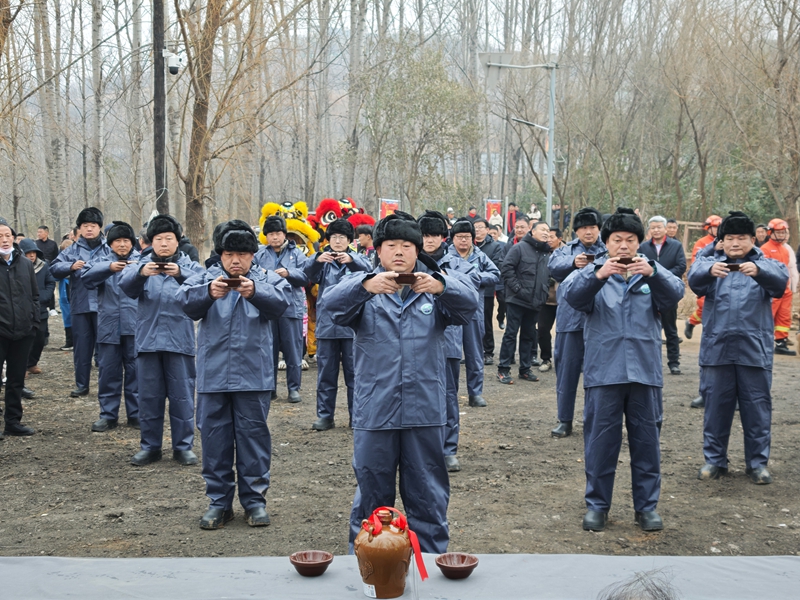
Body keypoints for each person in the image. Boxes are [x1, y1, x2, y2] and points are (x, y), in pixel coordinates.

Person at [319, 211, 479, 553]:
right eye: (391, 245)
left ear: (418, 251)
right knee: (371, 499)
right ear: (378, 250)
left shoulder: (433, 287)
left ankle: (432, 564)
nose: (400, 252)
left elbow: (470, 305)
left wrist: (442, 286)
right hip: (376, 411)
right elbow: (330, 304)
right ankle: (366, 565)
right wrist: (364, 286)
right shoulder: (366, 288)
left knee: (428, 494)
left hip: (425, 410)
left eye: (407, 245)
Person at [561, 208, 684, 532]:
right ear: (607, 243)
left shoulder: (650, 272)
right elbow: (571, 296)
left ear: (639, 242)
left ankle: (646, 508)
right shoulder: (596, 272)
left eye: (631, 240)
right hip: (604, 372)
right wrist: (598, 274)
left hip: (645, 373)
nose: (625, 246)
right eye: (618, 240)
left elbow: (676, 294)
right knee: (600, 443)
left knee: (647, 444)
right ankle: (597, 506)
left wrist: (654, 272)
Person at [178, 221, 292, 529]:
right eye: (230, 254)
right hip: (213, 376)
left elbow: (283, 304)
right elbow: (184, 302)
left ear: (253, 255)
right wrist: (207, 293)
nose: (236, 261)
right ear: (221, 255)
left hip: (253, 375)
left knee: (253, 438)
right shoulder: (206, 278)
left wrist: (255, 292)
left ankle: (254, 502)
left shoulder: (266, 280)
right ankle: (219, 502)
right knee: (214, 439)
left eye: (243, 254)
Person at [688, 211, 787, 485]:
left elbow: (781, 284)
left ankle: (757, 463)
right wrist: (709, 268)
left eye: (741, 238)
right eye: (729, 238)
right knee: (716, 408)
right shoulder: (712, 264)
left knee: (757, 409)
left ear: (752, 239)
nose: (735, 243)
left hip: (753, 352)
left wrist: (759, 271)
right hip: (717, 350)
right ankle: (715, 461)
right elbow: (694, 279)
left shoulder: (766, 264)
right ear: (721, 240)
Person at [119, 214, 205, 466]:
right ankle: (150, 446)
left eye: (169, 238)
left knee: (182, 397)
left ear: (177, 241)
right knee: (149, 397)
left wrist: (179, 274)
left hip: (180, 342)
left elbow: (203, 288)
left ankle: (183, 446)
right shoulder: (140, 264)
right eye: (159, 239)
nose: (164, 243)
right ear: (150, 242)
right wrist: (141, 274)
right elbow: (126, 286)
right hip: (147, 342)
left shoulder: (191, 266)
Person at [418, 210, 479, 472]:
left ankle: (448, 448)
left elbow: (469, 297)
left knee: (448, 396)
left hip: (448, 340)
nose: (429, 240)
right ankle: (422, 447)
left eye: (435, 235)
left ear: (444, 237)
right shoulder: (411, 264)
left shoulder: (460, 266)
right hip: (418, 342)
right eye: (425, 235)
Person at [303, 218, 371, 430]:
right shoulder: (323, 261)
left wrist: (350, 259)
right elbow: (308, 275)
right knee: (326, 374)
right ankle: (325, 415)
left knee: (355, 374)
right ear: (328, 240)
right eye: (334, 237)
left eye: (342, 238)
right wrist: (317, 260)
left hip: (352, 327)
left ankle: (356, 416)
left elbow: (369, 270)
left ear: (349, 240)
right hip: (327, 325)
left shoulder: (357, 259)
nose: (338, 241)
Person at [547, 207, 606, 437]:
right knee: (567, 372)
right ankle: (565, 419)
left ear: (599, 229)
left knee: (600, 374)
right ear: (576, 231)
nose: (588, 232)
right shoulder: (566, 251)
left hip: (601, 320)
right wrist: (574, 262)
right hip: (570, 321)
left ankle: (597, 419)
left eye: (592, 227)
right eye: (583, 228)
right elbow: (553, 267)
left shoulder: (607, 250)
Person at [82, 222, 141, 432]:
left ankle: (136, 414)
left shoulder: (141, 261)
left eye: (126, 240)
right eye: (118, 241)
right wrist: (109, 268)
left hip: (135, 326)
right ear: (111, 243)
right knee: (108, 372)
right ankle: (108, 415)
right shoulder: (102, 261)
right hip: (108, 326)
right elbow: (86, 279)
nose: (123, 245)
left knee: (136, 372)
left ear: (132, 242)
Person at [50, 207, 110, 397]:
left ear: (99, 227)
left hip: (104, 305)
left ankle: (107, 384)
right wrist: (70, 266)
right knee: (82, 348)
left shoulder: (109, 248)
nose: (89, 229)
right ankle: (82, 384)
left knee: (107, 348)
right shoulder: (73, 249)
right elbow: (54, 268)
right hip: (81, 304)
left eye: (93, 225)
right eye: (85, 226)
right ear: (80, 229)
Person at [255, 216, 309, 403]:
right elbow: (252, 274)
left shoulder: (298, 254)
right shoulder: (260, 255)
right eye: (270, 234)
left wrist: (289, 273)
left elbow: (306, 276)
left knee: (293, 350)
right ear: (266, 236)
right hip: (268, 308)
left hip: (291, 307)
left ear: (284, 234)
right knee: (268, 350)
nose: (274, 237)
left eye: (278, 233)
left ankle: (293, 388)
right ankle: (270, 388)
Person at [448, 218, 499, 406]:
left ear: (473, 239)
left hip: (473, 310)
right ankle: (450, 391)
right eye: (459, 237)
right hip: (450, 309)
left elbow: (495, 275)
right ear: (452, 238)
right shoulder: (446, 255)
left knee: (474, 351)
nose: (463, 241)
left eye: (467, 237)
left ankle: (475, 392)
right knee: (450, 352)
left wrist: (476, 277)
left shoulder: (480, 256)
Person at [496, 220, 552, 385]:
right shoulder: (519, 248)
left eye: (548, 230)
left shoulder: (546, 253)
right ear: (532, 231)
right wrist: (518, 289)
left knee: (529, 336)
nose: (546, 233)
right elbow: (506, 268)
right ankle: (503, 369)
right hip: (517, 300)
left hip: (535, 301)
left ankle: (525, 369)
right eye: (542, 229)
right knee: (511, 334)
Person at [0, 218, 39, 437]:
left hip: (23, 331)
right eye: (0, 236)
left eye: (8, 235)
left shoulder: (24, 263)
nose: (5, 240)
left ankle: (13, 422)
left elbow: (34, 295)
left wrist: (33, 322)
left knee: (16, 380)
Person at [639, 216, 687, 374]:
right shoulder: (643, 247)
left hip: (668, 292)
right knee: (647, 328)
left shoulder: (676, 246)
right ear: (649, 230)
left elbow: (681, 266)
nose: (656, 230)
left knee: (670, 329)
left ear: (666, 229)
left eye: (659, 227)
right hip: (647, 292)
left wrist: (661, 275)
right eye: (653, 227)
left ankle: (674, 362)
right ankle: (647, 362)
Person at [19, 239, 55, 377]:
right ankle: (21, 367)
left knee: (40, 338)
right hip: (24, 309)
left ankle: (32, 363)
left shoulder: (44, 266)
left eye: (34, 252)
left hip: (40, 308)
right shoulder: (19, 267)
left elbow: (50, 282)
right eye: (28, 253)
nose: (32, 255)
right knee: (24, 339)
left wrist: (44, 296)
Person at [760, 219, 796, 355]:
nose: (781, 235)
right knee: (769, 315)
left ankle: (781, 342)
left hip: (785, 289)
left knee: (784, 316)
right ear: (770, 233)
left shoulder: (785, 250)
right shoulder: (765, 249)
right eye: (778, 232)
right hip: (772, 290)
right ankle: (763, 342)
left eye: (783, 232)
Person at [684, 215, 721, 340]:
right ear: (708, 228)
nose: (717, 230)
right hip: (705, 282)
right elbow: (696, 262)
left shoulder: (725, 241)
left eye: (719, 227)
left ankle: (692, 321)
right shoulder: (702, 243)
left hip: (720, 282)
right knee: (705, 305)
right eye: (715, 227)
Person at [474, 218, 505, 365]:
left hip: (485, 290)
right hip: (467, 289)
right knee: (468, 322)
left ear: (487, 230)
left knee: (485, 322)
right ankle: (472, 350)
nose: (478, 230)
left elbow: (496, 266)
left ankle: (488, 351)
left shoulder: (495, 246)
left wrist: (476, 275)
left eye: (481, 227)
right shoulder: (468, 245)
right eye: (475, 227)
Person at [537, 228, 563, 372]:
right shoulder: (541, 252)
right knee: (542, 329)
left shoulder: (567, 252)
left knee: (563, 331)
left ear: (559, 238)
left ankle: (563, 359)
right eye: (547, 237)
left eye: (552, 237)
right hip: (545, 299)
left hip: (563, 299)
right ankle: (546, 359)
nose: (549, 240)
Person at [57, 239, 73, 351]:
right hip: (64, 293)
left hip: (73, 292)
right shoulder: (60, 262)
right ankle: (69, 341)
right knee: (67, 317)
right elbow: (55, 274)